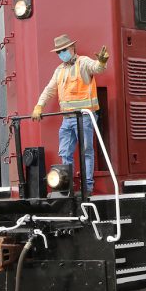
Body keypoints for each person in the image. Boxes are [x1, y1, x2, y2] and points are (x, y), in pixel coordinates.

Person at [31, 34, 109, 194]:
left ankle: (87, 187)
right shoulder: (59, 70)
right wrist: (39, 105)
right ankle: (68, 188)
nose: (61, 54)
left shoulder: (83, 62)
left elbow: (97, 68)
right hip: (67, 119)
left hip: (85, 117)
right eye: (58, 52)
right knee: (65, 152)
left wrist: (102, 62)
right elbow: (49, 89)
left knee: (86, 151)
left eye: (63, 50)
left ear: (72, 48)